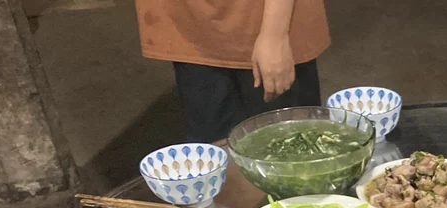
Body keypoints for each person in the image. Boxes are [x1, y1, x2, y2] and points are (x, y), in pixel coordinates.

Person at [134, 0, 330, 143]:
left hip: (266, 17)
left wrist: (274, 35)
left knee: (292, 146)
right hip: (188, 20)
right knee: (212, 150)